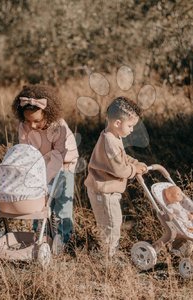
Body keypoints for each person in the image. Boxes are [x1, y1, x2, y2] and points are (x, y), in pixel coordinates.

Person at [12, 84, 79, 249]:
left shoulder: (59, 127)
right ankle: (41, 235)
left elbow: (59, 155)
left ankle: (63, 238)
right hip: (39, 167)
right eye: (28, 120)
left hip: (64, 166)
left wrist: (45, 178)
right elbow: (25, 150)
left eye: (37, 121)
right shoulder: (24, 127)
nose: (32, 125)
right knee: (39, 204)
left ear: (47, 114)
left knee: (62, 204)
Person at [84, 96, 148, 257]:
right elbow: (119, 169)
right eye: (130, 126)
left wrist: (135, 163)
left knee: (110, 223)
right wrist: (134, 169)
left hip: (106, 190)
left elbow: (122, 158)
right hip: (104, 191)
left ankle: (107, 252)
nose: (132, 129)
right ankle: (108, 257)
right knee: (112, 224)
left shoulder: (112, 136)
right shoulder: (109, 142)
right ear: (117, 123)